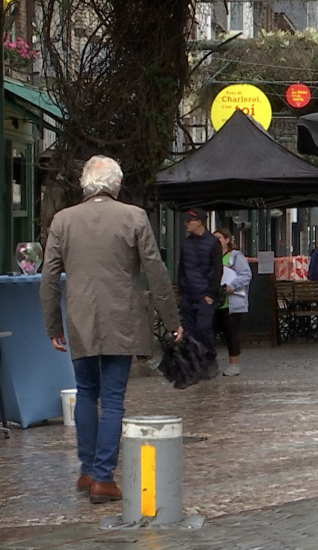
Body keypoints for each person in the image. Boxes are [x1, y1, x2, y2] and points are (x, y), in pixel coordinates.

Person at [40, 155, 183, 504]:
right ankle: (104, 477)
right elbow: (155, 270)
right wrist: (171, 319)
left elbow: (48, 278)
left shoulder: (63, 220)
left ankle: (88, 471)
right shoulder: (134, 216)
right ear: (116, 185)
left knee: (86, 393)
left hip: (79, 318)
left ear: (85, 185)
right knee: (114, 397)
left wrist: (52, 325)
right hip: (122, 317)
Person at [178, 208, 223, 378]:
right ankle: (197, 364)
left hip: (204, 294)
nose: (186, 224)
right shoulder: (186, 243)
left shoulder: (212, 243)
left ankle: (209, 358)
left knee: (204, 328)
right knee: (190, 330)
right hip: (189, 294)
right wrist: (182, 290)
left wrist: (211, 294)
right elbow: (181, 267)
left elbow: (217, 269)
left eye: (189, 221)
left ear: (199, 222)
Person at [212, 228, 252, 377]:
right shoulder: (212, 256)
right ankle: (209, 362)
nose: (216, 241)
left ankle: (234, 364)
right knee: (211, 332)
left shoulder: (235, 256)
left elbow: (246, 275)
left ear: (227, 239)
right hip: (216, 300)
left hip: (232, 302)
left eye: (219, 238)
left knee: (230, 333)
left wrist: (232, 286)